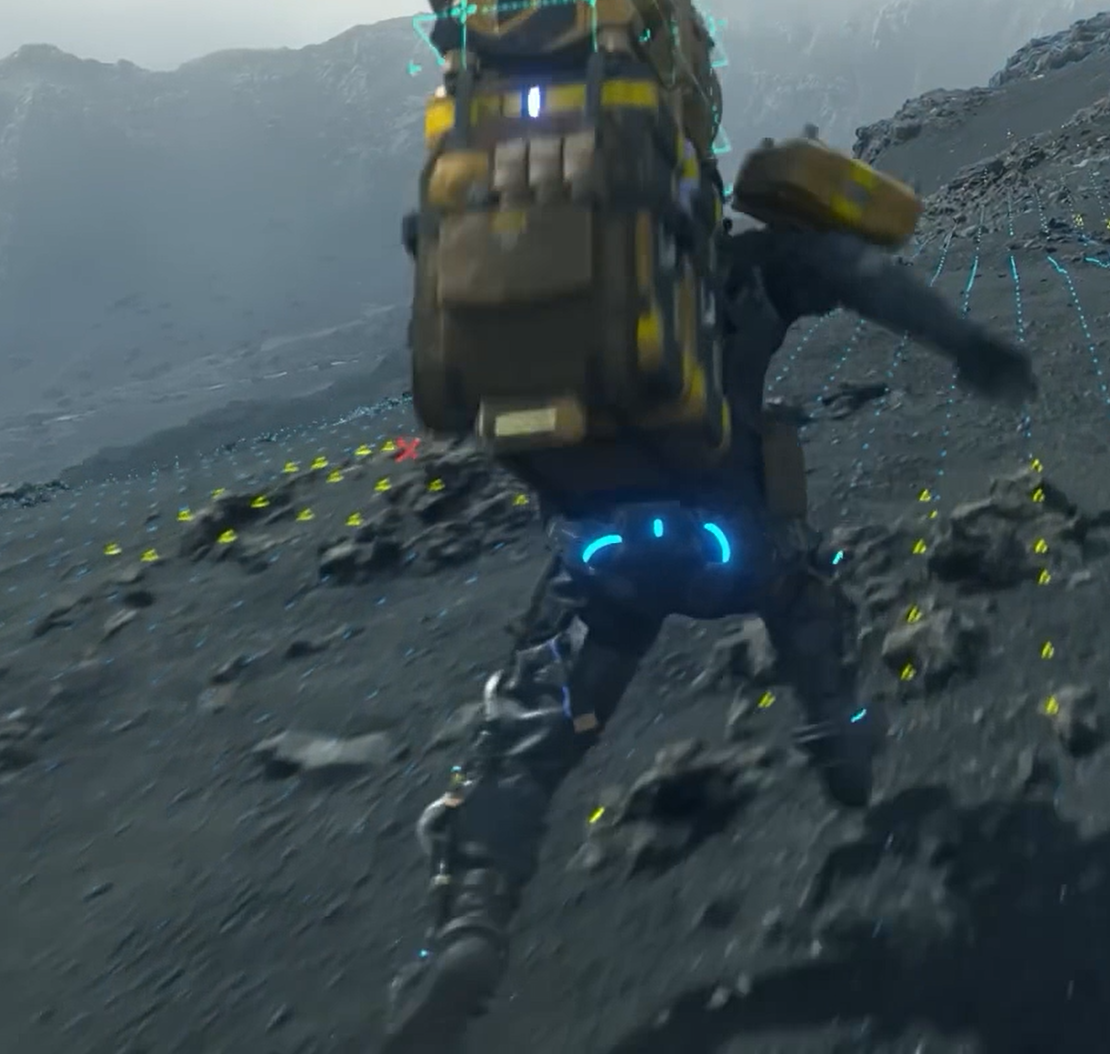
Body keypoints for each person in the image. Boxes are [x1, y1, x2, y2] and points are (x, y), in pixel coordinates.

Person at [382, 202, 1037, 1053]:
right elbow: (859, 272)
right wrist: (966, 342)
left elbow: (454, 407)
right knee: (804, 597)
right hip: (733, 543)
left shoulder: (519, 305)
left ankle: (471, 921)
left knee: (529, 736)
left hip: (607, 561)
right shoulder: (734, 270)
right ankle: (838, 735)